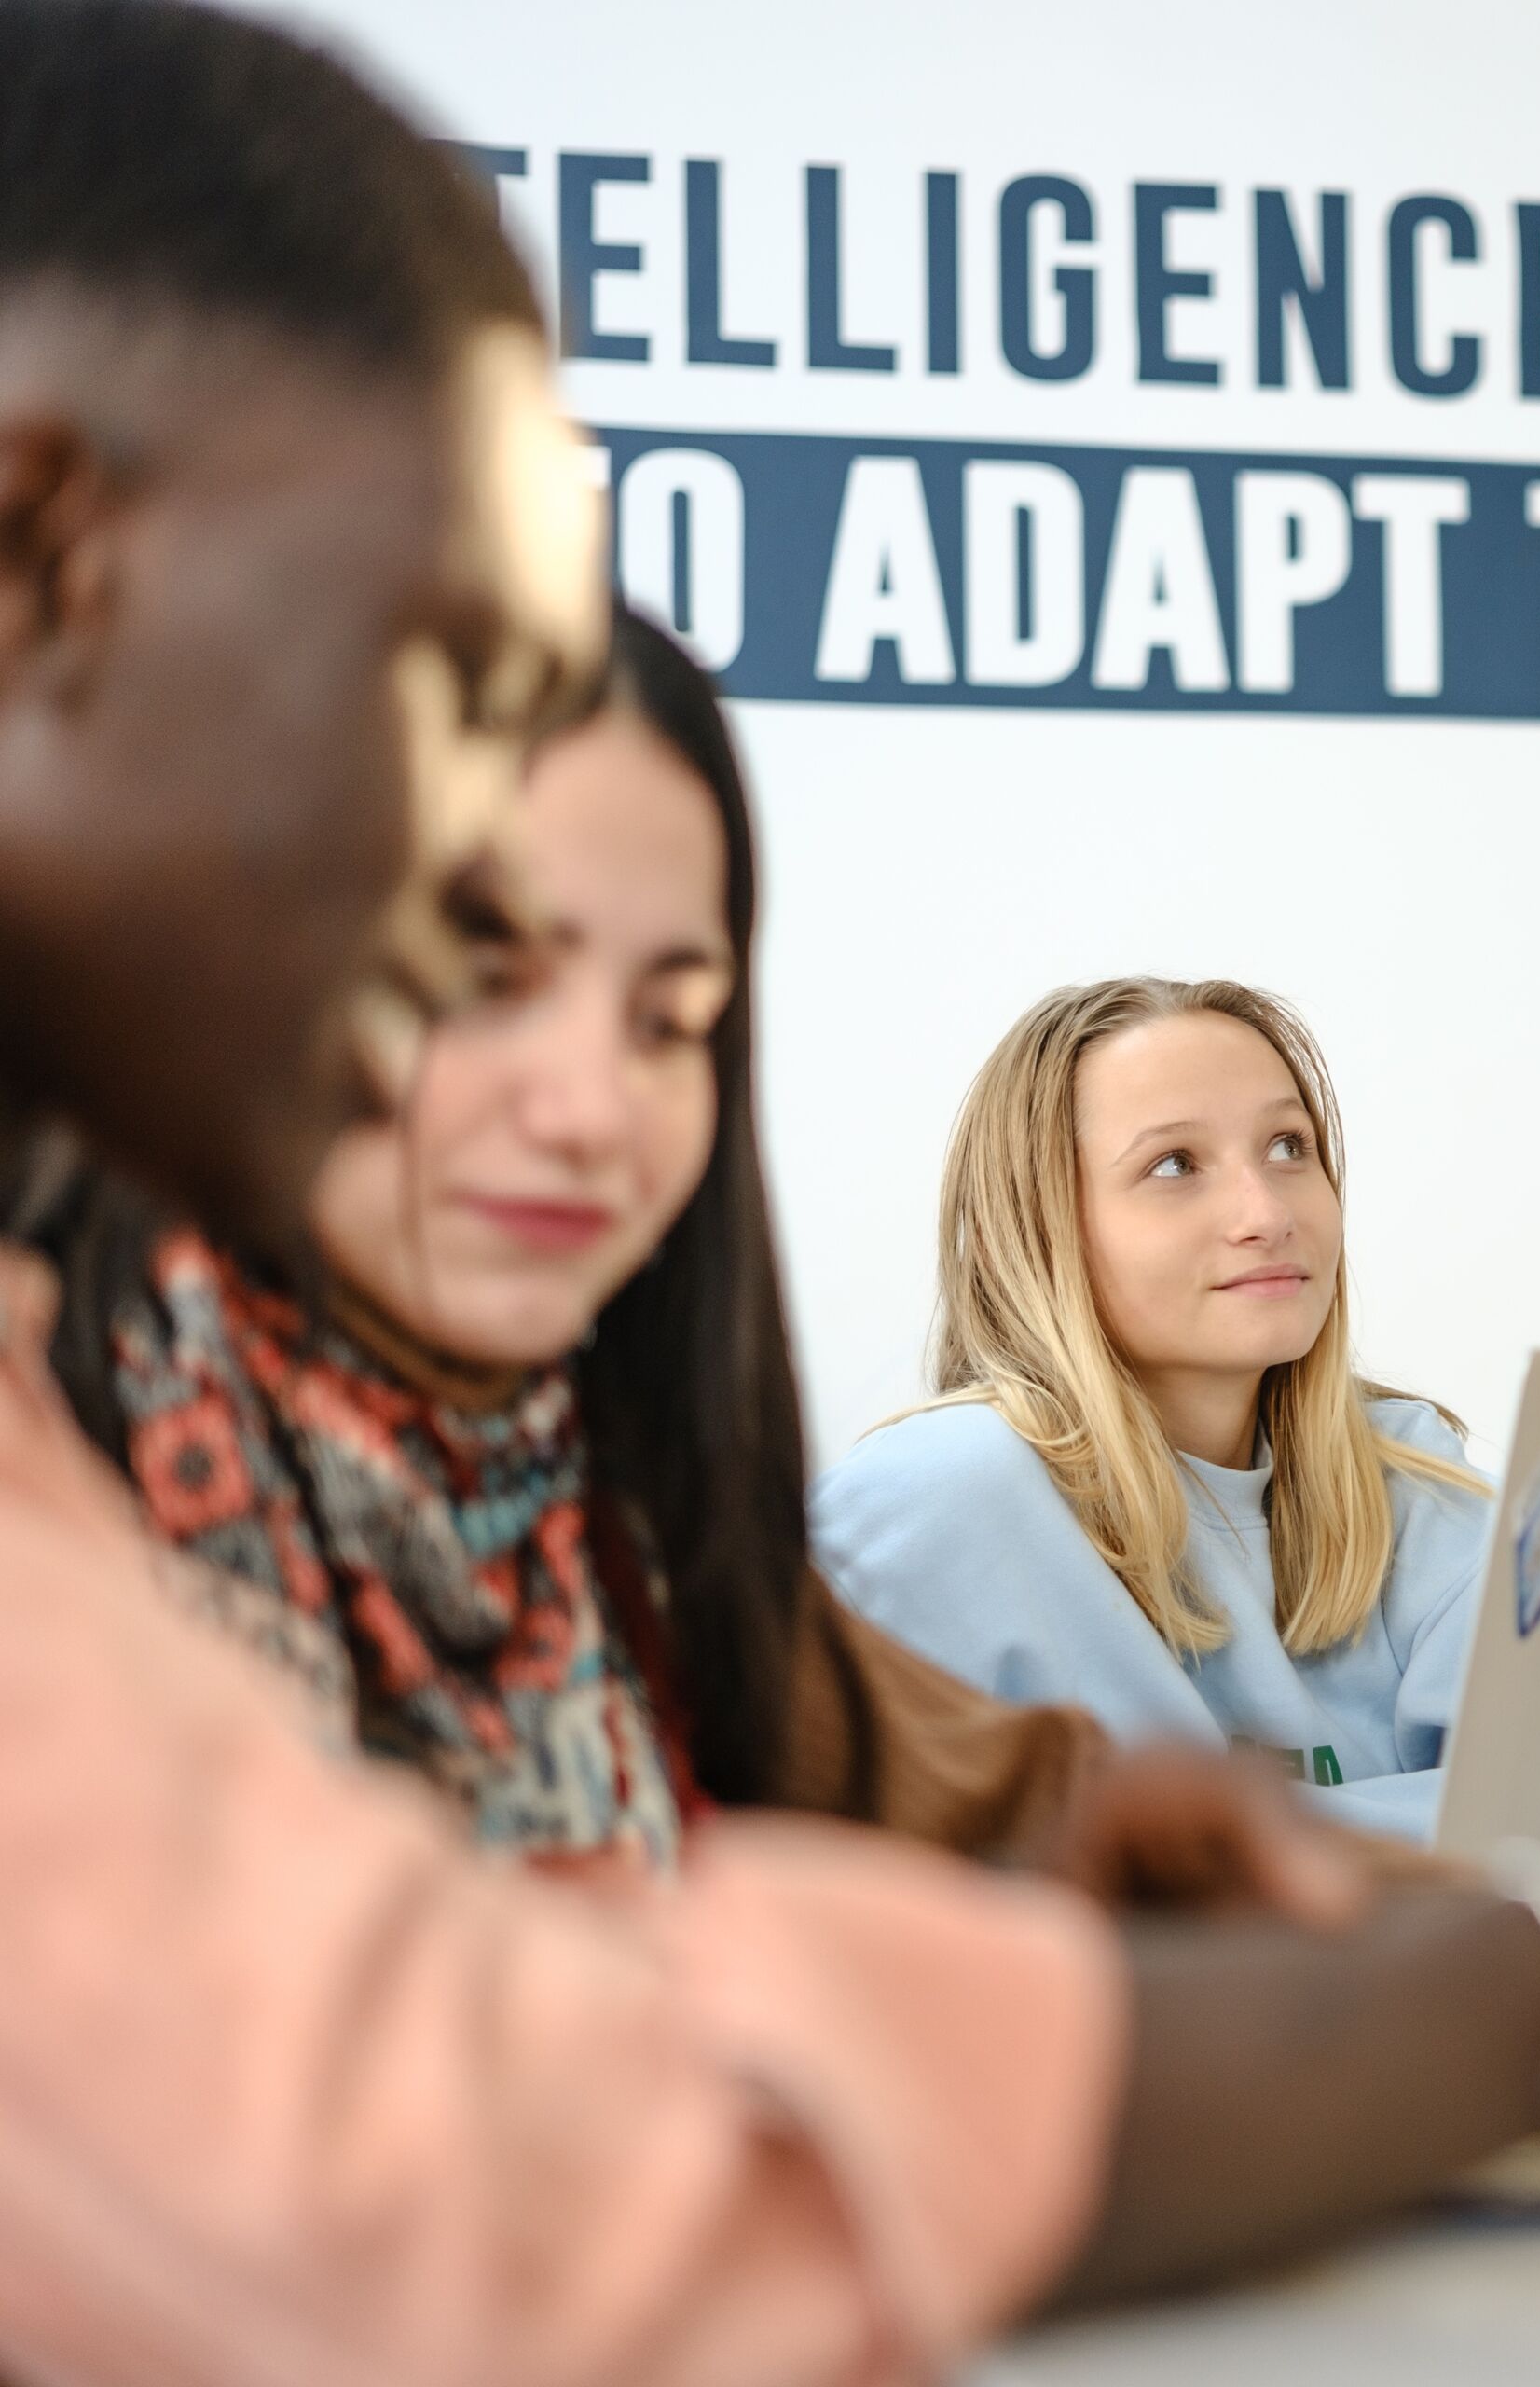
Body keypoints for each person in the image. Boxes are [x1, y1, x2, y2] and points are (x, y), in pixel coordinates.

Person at [0, 7, 1540, 2377]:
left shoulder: (604, 1523)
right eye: (439, 691)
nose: (555, 1087)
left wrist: (1131, 1935)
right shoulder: (908, 1488)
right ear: (38, 553)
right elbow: (477, 2184)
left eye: (674, 1013)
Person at [21, 604, 1108, 1867]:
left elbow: (1024, 1805)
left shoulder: (627, 1527)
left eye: (667, 1023)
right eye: (479, 979)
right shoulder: (51, 1472)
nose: (592, 1110)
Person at [817, 979, 1483, 1838]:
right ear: (1039, 1227)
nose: (1267, 1213)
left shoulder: (1409, 1473)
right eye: (1174, 1165)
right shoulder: (933, 1502)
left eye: (1289, 1146)